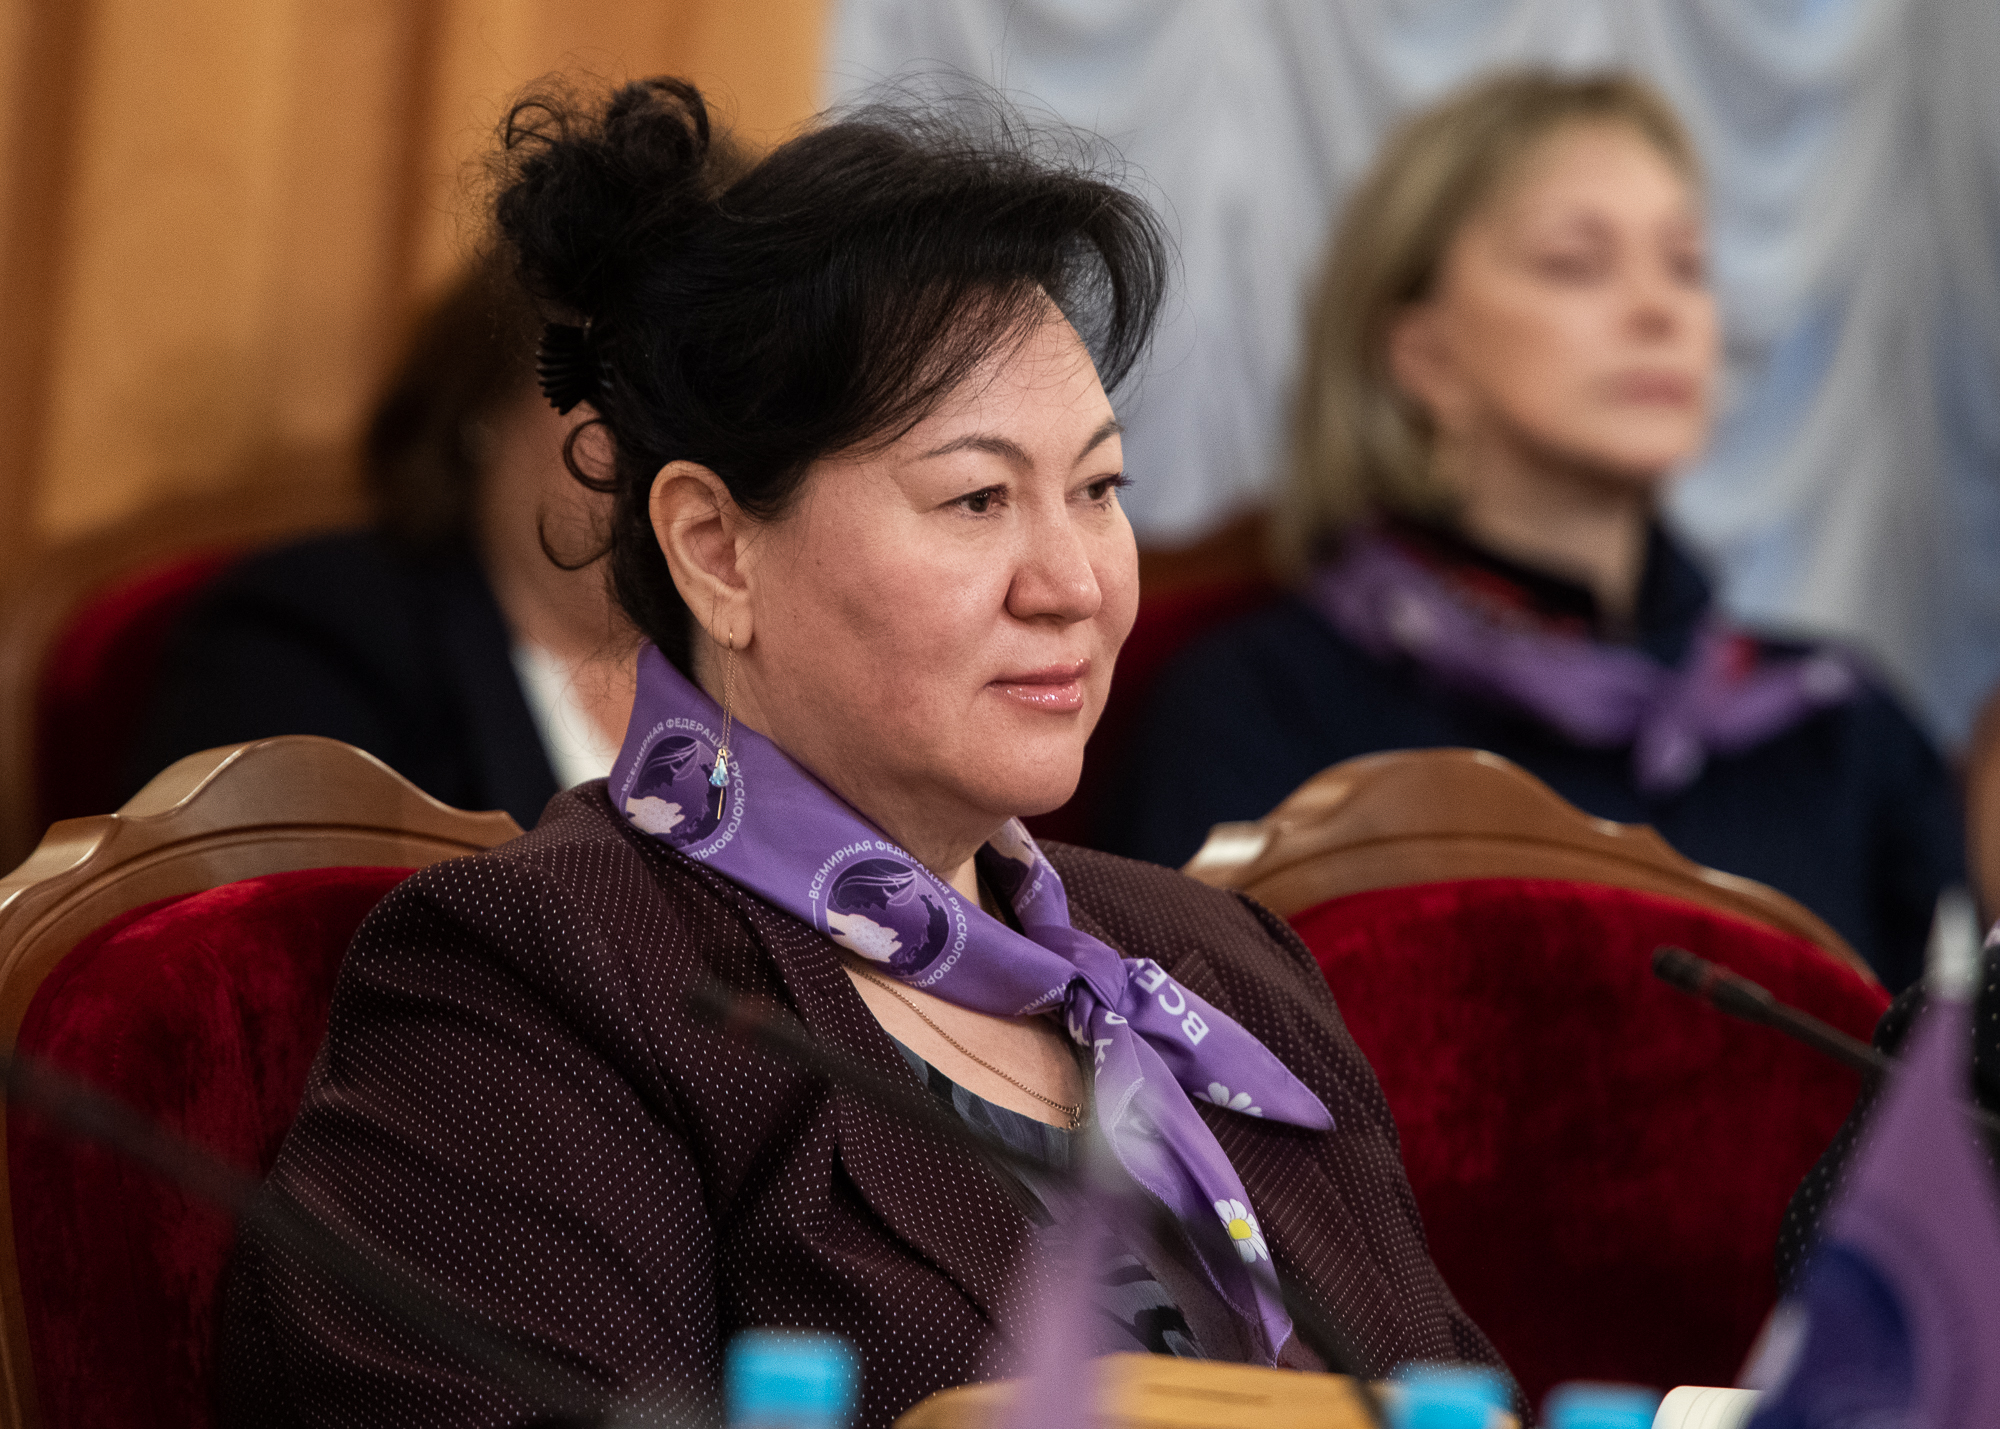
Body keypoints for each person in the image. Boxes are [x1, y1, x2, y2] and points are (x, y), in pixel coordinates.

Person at [217, 78, 1508, 1427]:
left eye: (1098, 489)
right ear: (716, 549)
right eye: (977, 497)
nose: (1073, 582)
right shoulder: (548, 974)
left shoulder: (1221, 972)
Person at [1099, 70, 1962, 992]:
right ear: (1422, 355)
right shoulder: (1261, 712)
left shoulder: (1840, 730)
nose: (1660, 310)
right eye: (1575, 263)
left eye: (1686, 264)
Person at [125, 255, 635, 831]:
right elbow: (238, 880)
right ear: (484, 404)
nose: (666, 441)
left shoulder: (717, 651)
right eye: (622, 388)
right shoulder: (316, 627)